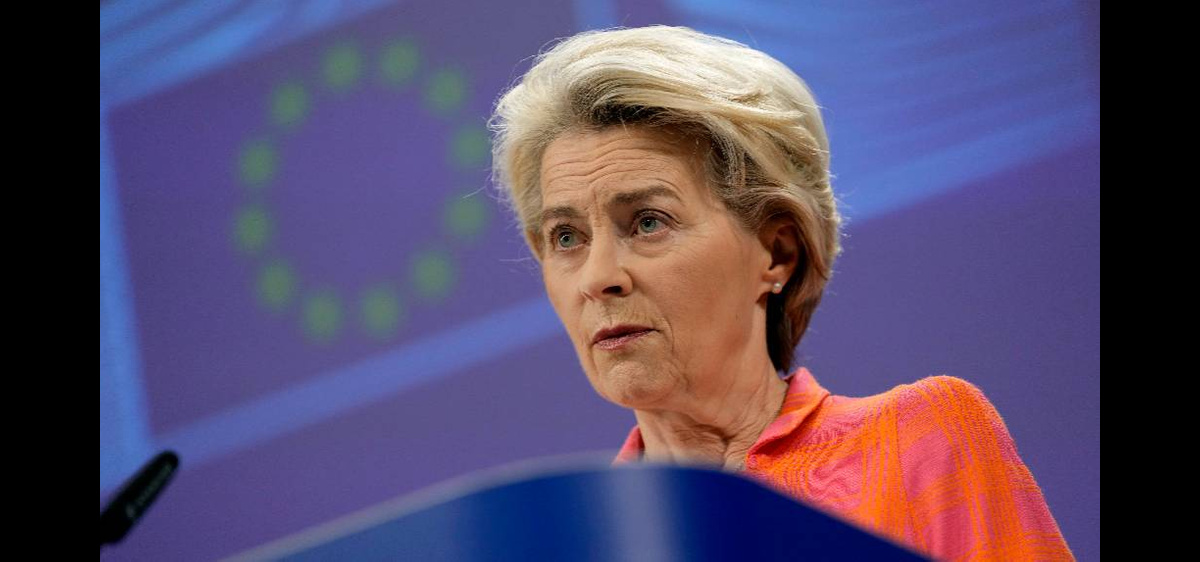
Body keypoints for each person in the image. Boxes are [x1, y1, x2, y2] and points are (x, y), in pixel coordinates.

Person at [488, 25, 1073, 561]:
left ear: (777, 253)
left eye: (647, 222)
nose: (596, 278)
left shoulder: (916, 444)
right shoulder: (564, 544)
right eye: (567, 237)